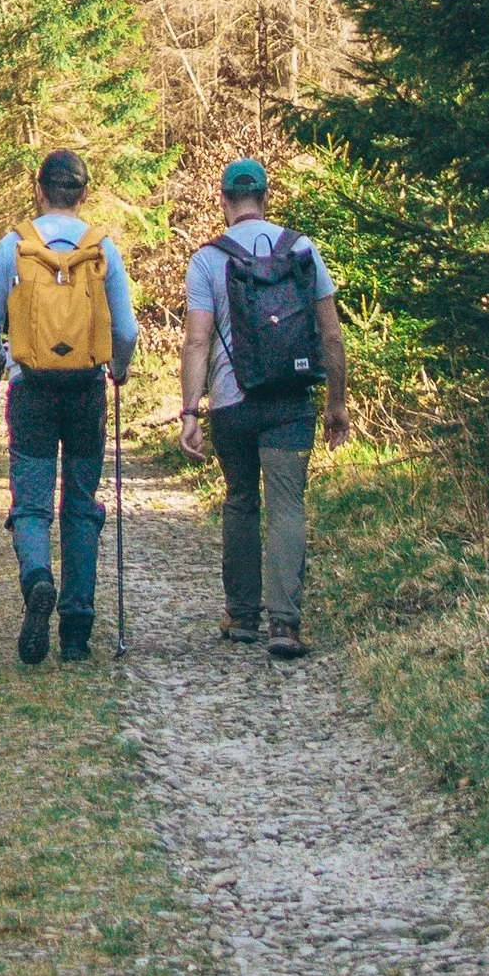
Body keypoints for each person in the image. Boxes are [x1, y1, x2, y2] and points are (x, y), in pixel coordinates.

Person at [0, 146, 138, 664]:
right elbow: (127, 330)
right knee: (82, 505)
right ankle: (77, 630)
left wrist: (3, 359)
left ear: (39, 190)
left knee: (32, 503)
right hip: (86, 389)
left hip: (33, 391)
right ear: (84, 194)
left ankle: (38, 578)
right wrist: (119, 367)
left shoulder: (14, 248)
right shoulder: (101, 249)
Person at [179, 156, 349, 660]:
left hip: (233, 404)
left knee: (240, 500)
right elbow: (331, 334)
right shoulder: (302, 249)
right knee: (288, 504)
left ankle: (242, 616)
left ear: (224, 200)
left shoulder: (208, 259)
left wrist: (191, 410)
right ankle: (285, 625)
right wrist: (336, 405)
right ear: (267, 197)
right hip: (291, 400)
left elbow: (197, 341)